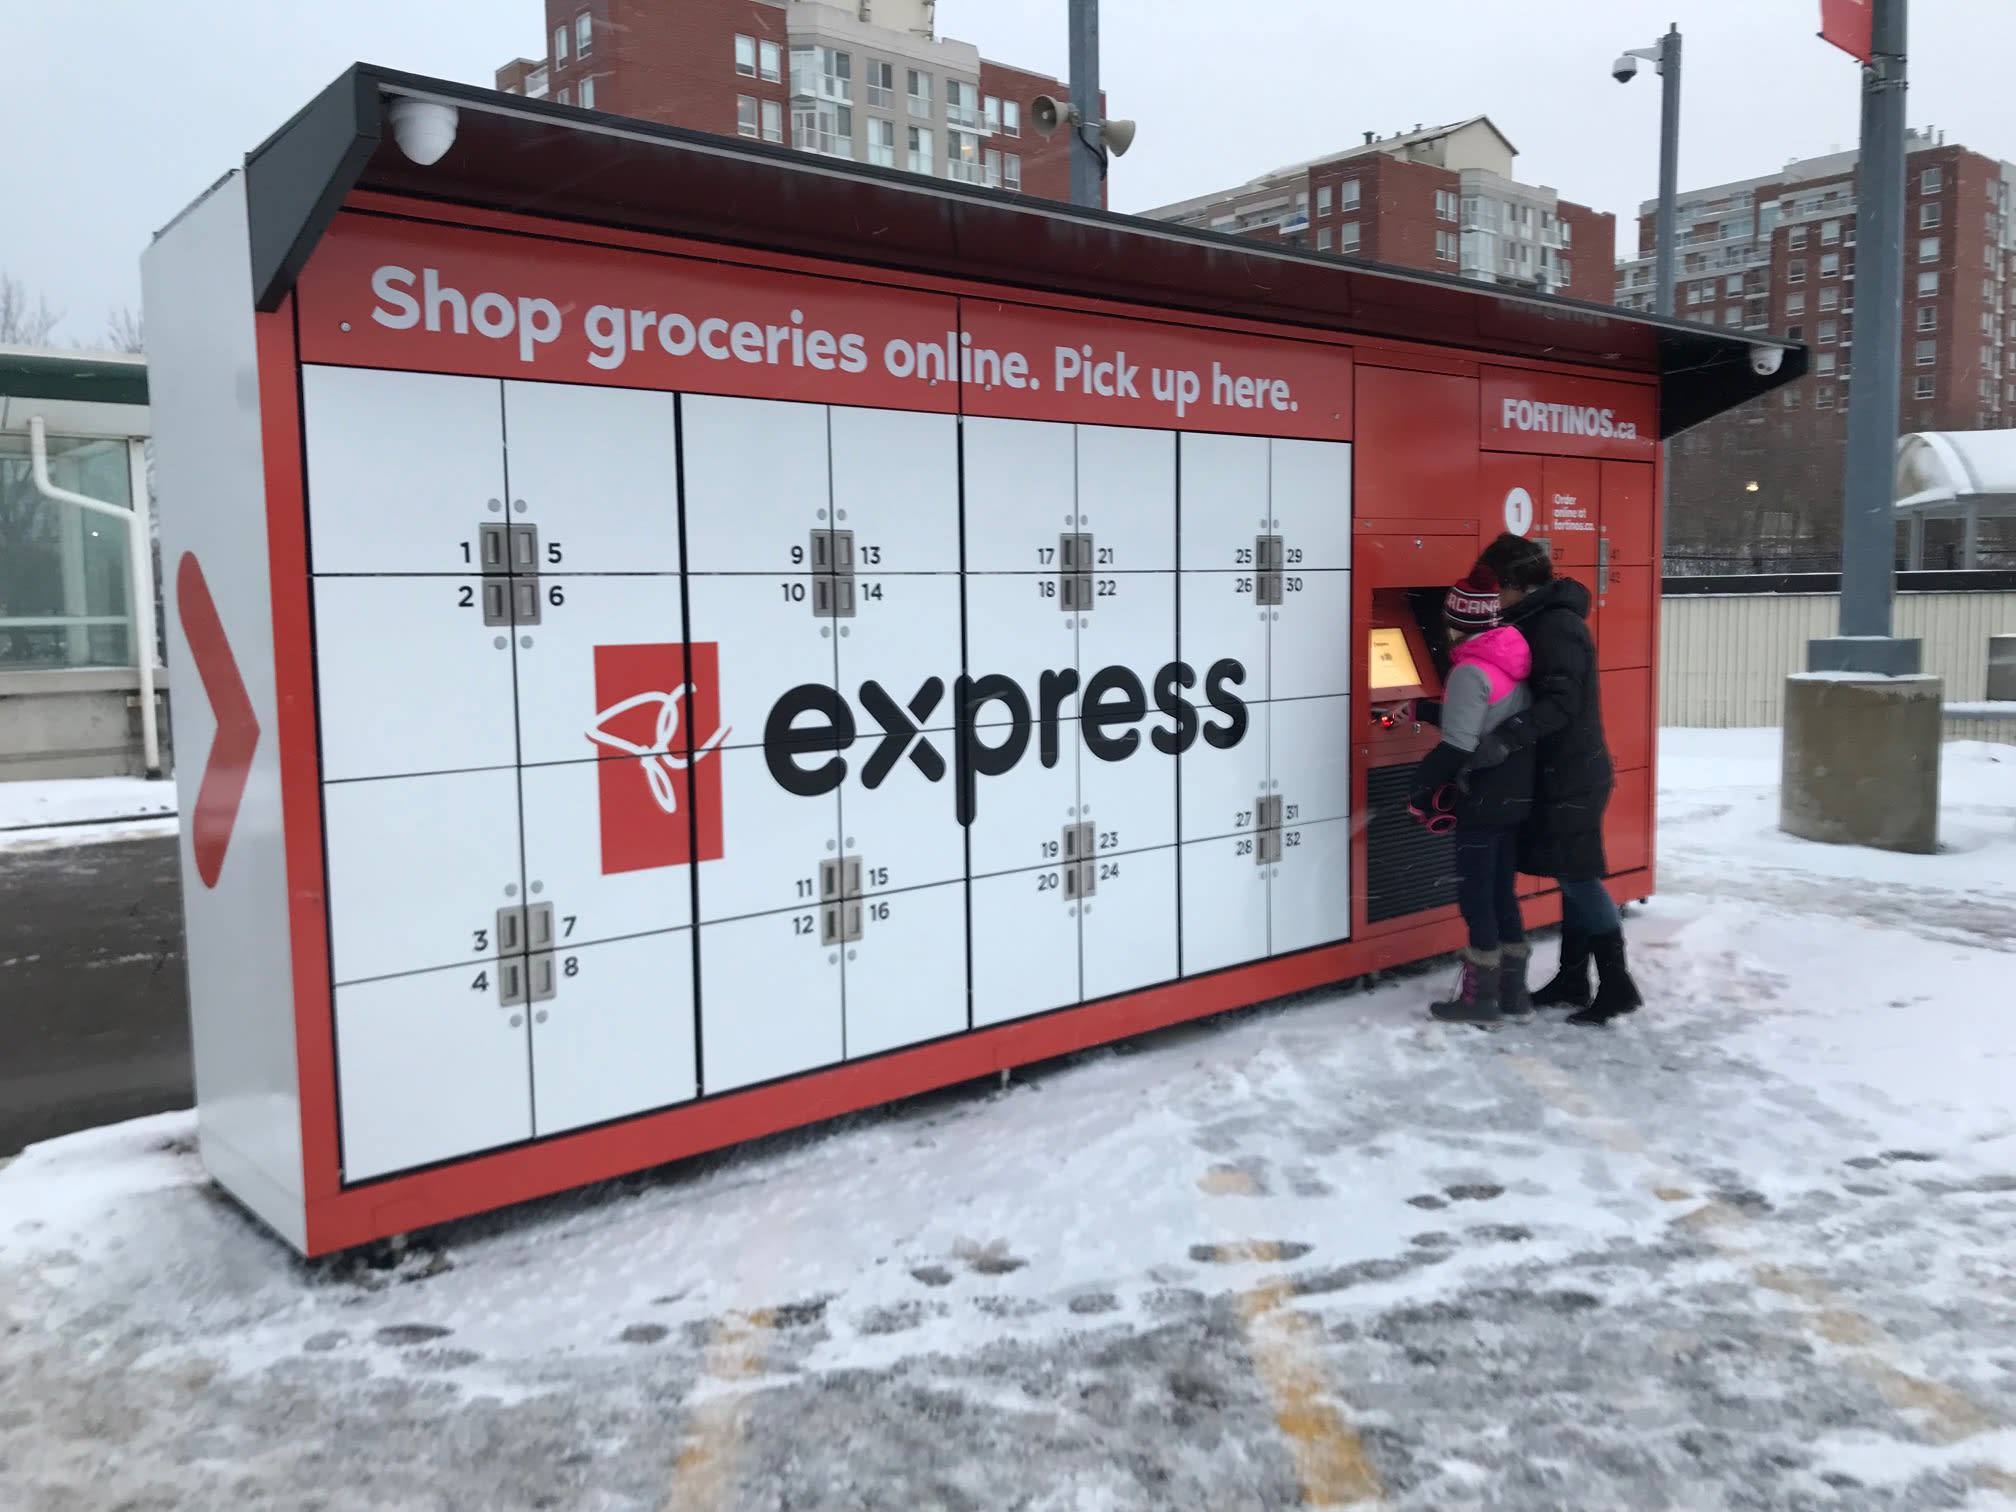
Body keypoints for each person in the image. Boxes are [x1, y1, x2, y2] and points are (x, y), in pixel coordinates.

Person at [1470, 532, 1643, 1025]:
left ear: (1517, 584)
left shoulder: (1556, 626)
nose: (1490, 597)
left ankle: (1616, 984)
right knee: (1573, 879)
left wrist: (1508, 734)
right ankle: (1573, 979)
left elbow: (1562, 702)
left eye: (1494, 586)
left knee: (1580, 880)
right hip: (1561, 771)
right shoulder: (1537, 620)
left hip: (1570, 774)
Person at [1409, 566, 1537, 1025]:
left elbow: (1459, 744)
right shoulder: (1512, 656)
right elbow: (1488, 715)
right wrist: (1422, 709)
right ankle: (1513, 992)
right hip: (1516, 790)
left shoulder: (1468, 671)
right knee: (1501, 890)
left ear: (1454, 621)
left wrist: (1420, 790)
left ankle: (1479, 999)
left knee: (1475, 894)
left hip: (1482, 795)